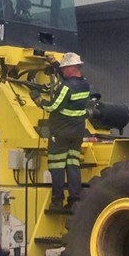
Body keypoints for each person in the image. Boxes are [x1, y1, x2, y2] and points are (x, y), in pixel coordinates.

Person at [33, 52, 90, 210]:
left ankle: (57, 201)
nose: (63, 71)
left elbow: (52, 106)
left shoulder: (66, 87)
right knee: (73, 165)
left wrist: (38, 100)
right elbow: (67, 77)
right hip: (77, 132)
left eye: (65, 68)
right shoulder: (85, 84)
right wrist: (55, 64)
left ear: (71, 68)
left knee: (57, 165)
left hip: (61, 133)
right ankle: (74, 200)